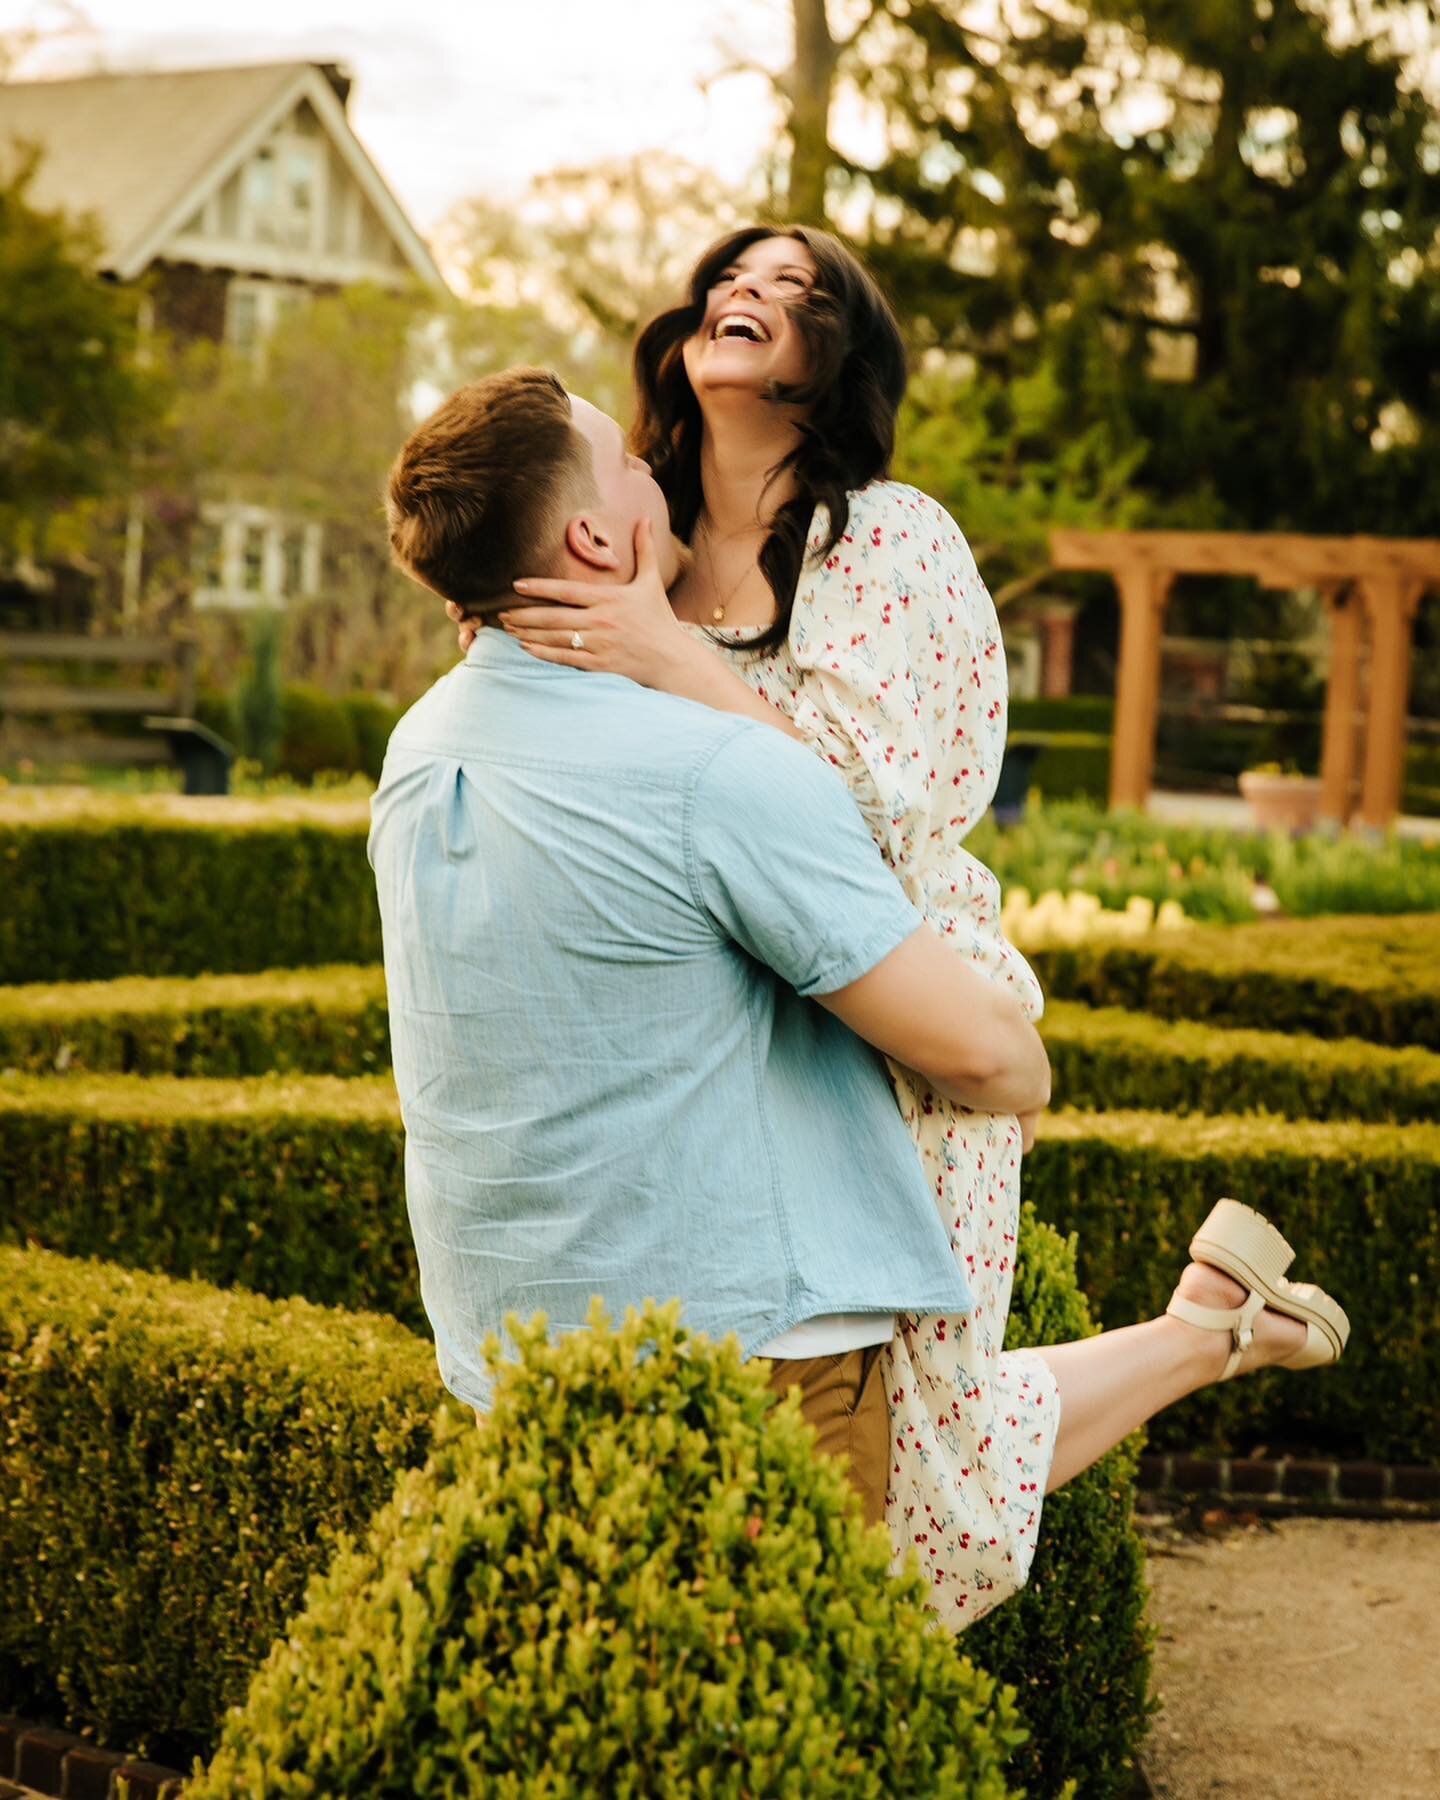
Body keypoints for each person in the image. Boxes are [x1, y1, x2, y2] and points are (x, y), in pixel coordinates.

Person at [449, 228, 1350, 1630]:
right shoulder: (641, 545)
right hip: (732, 1019)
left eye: (799, 291)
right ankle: (1214, 1325)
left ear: (838, 363)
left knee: (915, 1452)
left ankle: (1204, 1337)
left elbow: (864, 818)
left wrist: (667, 658)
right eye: (735, 275)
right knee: (902, 1435)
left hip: (897, 997)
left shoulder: (888, 539)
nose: (752, 291)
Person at [371, 365, 1054, 1536]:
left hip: (510, 1366)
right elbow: (997, 1064)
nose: (659, 468)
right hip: (753, 1377)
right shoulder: (713, 771)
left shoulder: (419, 747)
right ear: (595, 534)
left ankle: (1204, 1334)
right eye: (631, 464)